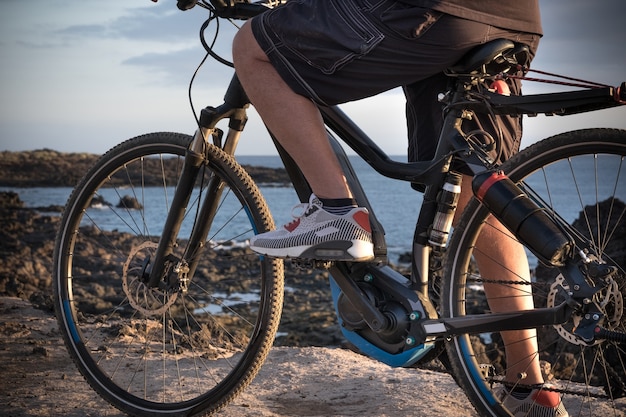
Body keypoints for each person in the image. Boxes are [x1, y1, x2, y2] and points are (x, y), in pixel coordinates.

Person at [232, 1, 567, 416]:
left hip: (438, 11)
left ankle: (337, 212)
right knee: (475, 193)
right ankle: (531, 389)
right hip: (514, 19)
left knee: (253, 45)